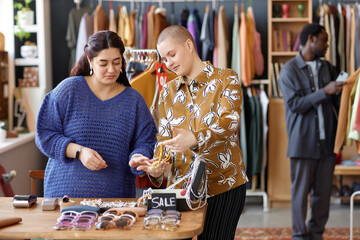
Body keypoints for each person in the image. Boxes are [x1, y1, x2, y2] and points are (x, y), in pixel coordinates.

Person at [130, 25, 248, 240]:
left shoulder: (227, 79)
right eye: (164, 59)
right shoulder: (167, 91)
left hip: (222, 184)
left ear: (189, 44)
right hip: (180, 189)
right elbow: (164, 142)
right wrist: (156, 169)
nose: (169, 63)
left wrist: (194, 138)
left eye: (172, 54)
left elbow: (230, 123)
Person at [36, 30, 157, 198]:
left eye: (117, 62)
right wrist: (79, 152)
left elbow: (146, 141)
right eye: (103, 63)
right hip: (64, 197)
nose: (111, 69)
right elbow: (44, 134)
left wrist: (138, 157)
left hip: (115, 201)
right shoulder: (68, 90)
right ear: (90, 61)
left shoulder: (133, 100)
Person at [278, 23, 344, 240]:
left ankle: (317, 234)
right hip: (302, 144)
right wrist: (325, 91)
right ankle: (299, 235)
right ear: (310, 40)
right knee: (300, 195)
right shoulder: (288, 70)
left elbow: (335, 102)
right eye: (324, 40)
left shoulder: (327, 67)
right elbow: (295, 104)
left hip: (327, 144)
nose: (327, 44)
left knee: (322, 195)